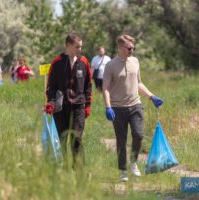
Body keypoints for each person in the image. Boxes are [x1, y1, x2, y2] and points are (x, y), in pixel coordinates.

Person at [102, 34, 164, 181]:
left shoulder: (135, 61)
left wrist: (151, 96)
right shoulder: (110, 65)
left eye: (133, 48)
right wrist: (108, 107)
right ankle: (123, 171)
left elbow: (139, 83)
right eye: (129, 48)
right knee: (121, 140)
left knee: (138, 134)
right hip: (117, 108)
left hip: (135, 105)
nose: (132, 50)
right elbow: (105, 88)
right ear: (120, 47)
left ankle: (133, 162)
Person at [43, 33, 92, 165]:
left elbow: (88, 85)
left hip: (78, 107)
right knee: (62, 139)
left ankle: (79, 171)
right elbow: (51, 87)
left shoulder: (84, 62)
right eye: (77, 47)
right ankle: (64, 168)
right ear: (68, 45)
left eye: (81, 47)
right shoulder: (57, 62)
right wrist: (51, 103)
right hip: (60, 108)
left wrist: (87, 105)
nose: (80, 50)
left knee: (76, 139)